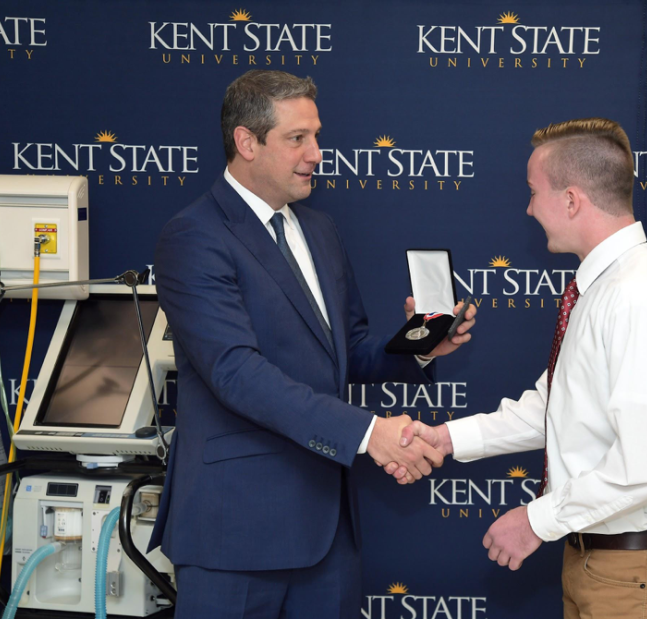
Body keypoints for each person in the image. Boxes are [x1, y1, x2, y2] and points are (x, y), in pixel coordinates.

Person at [148, 70, 476, 619]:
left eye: (317, 136)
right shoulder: (194, 236)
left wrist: (420, 346)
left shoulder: (319, 229)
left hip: (328, 533)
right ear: (247, 143)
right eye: (297, 138)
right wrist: (370, 432)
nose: (317, 153)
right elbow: (236, 372)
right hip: (235, 536)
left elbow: (346, 349)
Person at [393, 118, 647, 619]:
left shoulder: (640, 298)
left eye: (532, 192)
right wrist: (448, 439)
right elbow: (551, 408)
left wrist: (535, 521)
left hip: (640, 577)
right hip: (610, 569)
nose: (528, 208)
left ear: (571, 200)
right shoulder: (601, 290)